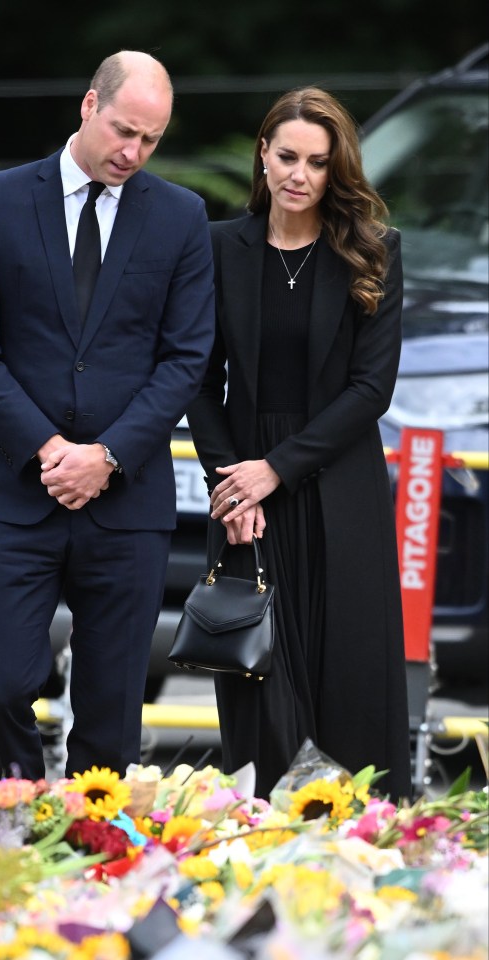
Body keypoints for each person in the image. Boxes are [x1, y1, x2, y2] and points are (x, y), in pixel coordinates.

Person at [0, 50, 215, 784]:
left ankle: (92, 861)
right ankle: (27, 821)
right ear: (88, 106)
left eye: (150, 139)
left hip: (126, 501)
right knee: (0, 686)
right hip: (16, 495)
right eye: (124, 130)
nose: (132, 152)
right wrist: (47, 449)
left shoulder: (181, 217)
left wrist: (107, 456)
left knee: (111, 712)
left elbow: (185, 359)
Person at [186, 87, 412, 802]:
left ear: (334, 169)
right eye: (286, 156)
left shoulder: (371, 252)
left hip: (338, 485)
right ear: (262, 154)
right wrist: (233, 486)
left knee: (349, 682)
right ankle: (268, 848)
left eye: (317, 162)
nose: (298, 174)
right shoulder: (218, 248)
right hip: (244, 495)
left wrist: (274, 469)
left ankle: (361, 854)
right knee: (259, 687)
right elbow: (197, 380)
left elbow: (369, 389)